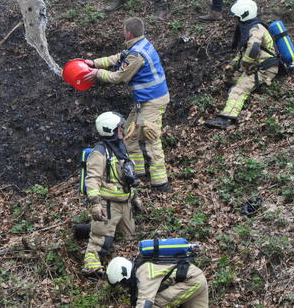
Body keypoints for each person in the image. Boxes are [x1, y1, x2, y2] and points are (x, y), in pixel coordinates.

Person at [83, 17, 170, 192]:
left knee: (151, 140)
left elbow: (119, 77)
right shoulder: (140, 45)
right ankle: (138, 173)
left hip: (152, 102)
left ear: (128, 33)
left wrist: (97, 73)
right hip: (144, 101)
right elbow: (118, 58)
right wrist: (94, 63)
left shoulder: (136, 55)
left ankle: (161, 183)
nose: (123, 32)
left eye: (123, 30)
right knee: (129, 136)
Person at [81, 111, 142, 278]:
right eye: (119, 128)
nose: (122, 129)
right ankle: (91, 268)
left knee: (129, 238)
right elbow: (92, 179)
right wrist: (95, 203)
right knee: (100, 239)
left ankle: (123, 268)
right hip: (108, 204)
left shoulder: (120, 149)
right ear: (110, 130)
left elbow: (125, 177)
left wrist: (135, 197)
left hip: (125, 202)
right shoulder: (99, 152)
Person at [205, 0, 279, 129]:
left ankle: (227, 118)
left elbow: (253, 48)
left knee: (239, 89)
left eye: (237, 17)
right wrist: (232, 66)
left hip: (265, 68)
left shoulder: (256, 30)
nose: (235, 19)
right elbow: (242, 52)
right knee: (229, 79)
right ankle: (252, 86)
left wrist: (245, 66)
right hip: (255, 65)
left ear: (243, 16)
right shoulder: (248, 28)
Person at [106, 255, 209, 307]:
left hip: (191, 282)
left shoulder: (143, 273)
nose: (124, 287)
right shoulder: (143, 265)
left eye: (122, 284)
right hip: (198, 277)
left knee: (154, 304)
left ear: (124, 275)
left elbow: (145, 302)